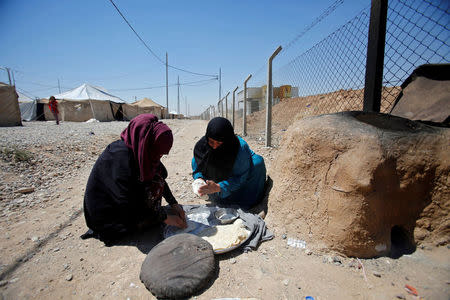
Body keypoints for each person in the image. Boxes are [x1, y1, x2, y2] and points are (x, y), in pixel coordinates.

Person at [82, 114, 186, 245]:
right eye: (157, 153)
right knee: (147, 221)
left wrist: (173, 203)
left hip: (128, 204)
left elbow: (158, 176)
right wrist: (164, 218)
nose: (158, 157)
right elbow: (126, 204)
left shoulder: (142, 150)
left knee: (157, 179)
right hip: (110, 217)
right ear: (148, 142)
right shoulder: (118, 156)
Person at [192, 117, 266, 209]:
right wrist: (199, 179)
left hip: (239, 175)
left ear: (227, 140)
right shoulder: (202, 147)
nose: (214, 147)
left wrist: (219, 187)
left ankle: (247, 204)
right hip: (218, 180)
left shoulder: (239, 149)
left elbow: (240, 177)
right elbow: (197, 165)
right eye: (211, 142)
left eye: (219, 143)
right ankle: (220, 196)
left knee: (257, 163)